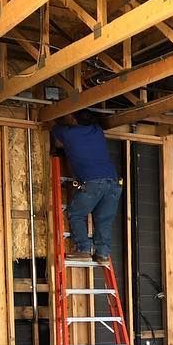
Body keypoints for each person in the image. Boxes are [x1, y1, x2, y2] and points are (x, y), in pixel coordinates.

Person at [51, 111, 121, 263]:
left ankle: (83, 249)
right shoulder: (97, 130)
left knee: (76, 213)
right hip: (113, 182)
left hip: (93, 181)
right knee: (104, 220)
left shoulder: (66, 133)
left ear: (74, 120)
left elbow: (56, 140)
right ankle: (102, 254)